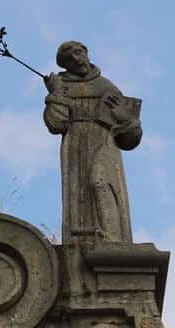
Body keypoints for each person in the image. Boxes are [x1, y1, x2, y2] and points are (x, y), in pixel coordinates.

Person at [43, 41, 142, 242]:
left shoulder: (106, 86)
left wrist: (126, 119)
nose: (77, 59)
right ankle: (84, 240)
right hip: (75, 145)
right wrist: (55, 95)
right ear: (65, 66)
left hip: (105, 141)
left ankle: (113, 238)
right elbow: (56, 123)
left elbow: (131, 139)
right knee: (79, 193)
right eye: (70, 59)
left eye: (79, 53)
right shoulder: (61, 87)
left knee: (100, 182)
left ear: (87, 53)